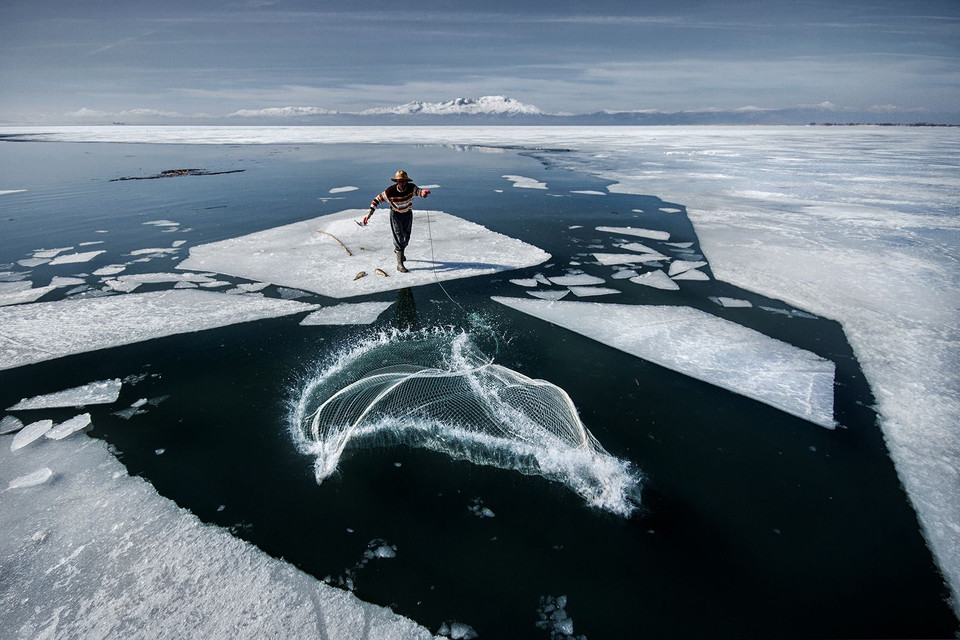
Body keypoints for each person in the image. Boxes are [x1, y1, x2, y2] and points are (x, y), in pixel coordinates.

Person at [362, 169, 430, 273]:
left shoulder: (411, 188)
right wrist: (369, 215)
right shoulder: (390, 191)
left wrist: (423, 193)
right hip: (396, 215)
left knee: (406, 237)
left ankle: (399, 251)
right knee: (399, 236)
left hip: (407, 213)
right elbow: (376, 200)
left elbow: (419, 192)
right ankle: (400, 264)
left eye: (403, 181)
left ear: (407, 181)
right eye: (399, 181)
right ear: (396, 182)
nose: (402, 183)